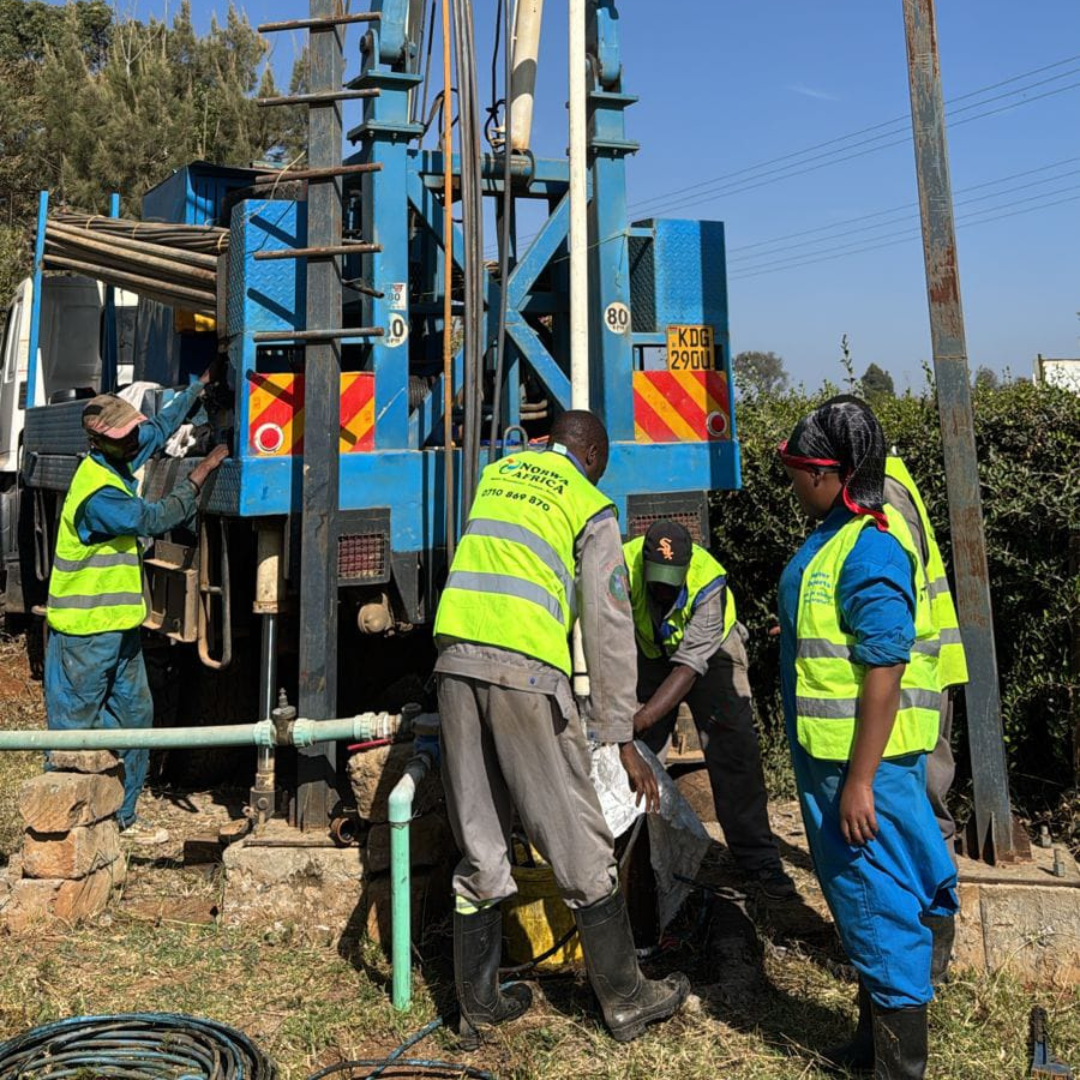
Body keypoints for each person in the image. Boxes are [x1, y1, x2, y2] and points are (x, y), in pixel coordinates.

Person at [433, 410, 689, 1045]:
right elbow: (607, 628)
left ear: (546, 443)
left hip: (453, 663)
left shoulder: (496, 474)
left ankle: (477, 1007)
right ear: (594, 454)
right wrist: (619, 733)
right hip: (523, 670)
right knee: (577, 833)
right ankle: (626, 998)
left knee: (481, 838)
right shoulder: (588, 502)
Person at [776, 396, 957, 1080]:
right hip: (835, 766)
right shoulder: (836, 531)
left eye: (798, 471)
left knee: (880, 910)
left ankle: (897, 1067)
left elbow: (886, 660)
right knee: (862, 907)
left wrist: (857, 780)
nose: (793, 483)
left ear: (828, 472)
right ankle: (868, 1045)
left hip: (861, 771)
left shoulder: (870, 544)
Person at [45, 370, 228, 844]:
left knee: (134, 719)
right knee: (73, 734)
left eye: (133, 432)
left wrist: (196, 389)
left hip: (120, 629)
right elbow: (156, 516)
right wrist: (199, 474)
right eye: (128, 436)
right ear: (101, 442)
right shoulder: (99, 495)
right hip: (83, 634)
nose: (136, 440)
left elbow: (159, 430)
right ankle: (62, 830)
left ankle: (121, 818)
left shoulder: (118, 457)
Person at [624, 520, 794, 899]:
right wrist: (626, 726)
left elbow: (688, 668)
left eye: (673, 579)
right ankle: (636, 858)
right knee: (638, 753)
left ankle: (758, 860)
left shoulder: (708, 583)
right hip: (648, 651)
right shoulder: (620, 569)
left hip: (711, 654)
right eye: (658, 579)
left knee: (734, 747)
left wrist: (640, 719)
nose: (664, 588)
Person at [884, 454, 969, 869]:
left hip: (915, 668)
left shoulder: (882, 491)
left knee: (922, 796)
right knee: (925, 792)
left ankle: (935, 905)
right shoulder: (892, 480)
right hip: (924, 663)